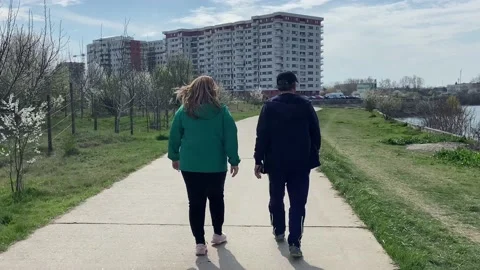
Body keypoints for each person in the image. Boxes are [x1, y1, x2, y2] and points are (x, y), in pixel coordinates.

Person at [168, 76, 240, 256]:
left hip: (190, 165)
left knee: (195, 202)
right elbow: (230, 137)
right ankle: (217, 234)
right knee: (216, 198)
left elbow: (174, 135)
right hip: (215, 165)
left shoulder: (184, 111)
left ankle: (200, 243)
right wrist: (234, 160)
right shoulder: (222, 112)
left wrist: (174, 156)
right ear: (213, 90)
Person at [253, 71, 321, 258]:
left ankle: (278, 230)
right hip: (300, 163)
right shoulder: (306, 105)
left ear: (278, 87)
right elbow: (316, 134)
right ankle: (295, 242)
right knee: (298, 203)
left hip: (275, 163)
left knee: (276, 198)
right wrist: (312, 153)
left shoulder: (269, 107)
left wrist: (258, 159)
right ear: (294, 86)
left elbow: (262, 135)